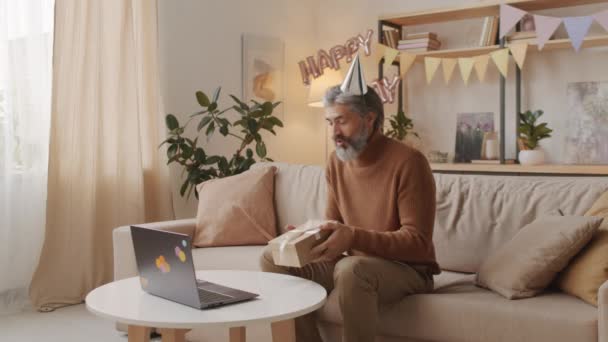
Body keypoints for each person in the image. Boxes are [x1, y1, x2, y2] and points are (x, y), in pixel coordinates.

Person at [259, 55, 439, 342]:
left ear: (369, 119)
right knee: (274, 258)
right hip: (353, 263)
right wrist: (308, 237)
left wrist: (352, 237)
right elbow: (335, 225)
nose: (334, 133)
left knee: (352, 269)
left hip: (407, 270)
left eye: (341, 121)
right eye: (330, 122)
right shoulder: (336, 162)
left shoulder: (409, 162)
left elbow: (417, 243)